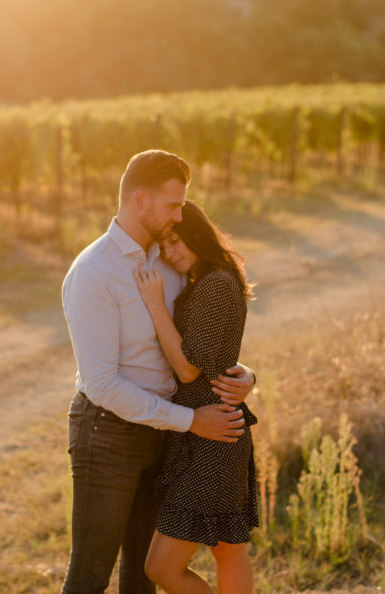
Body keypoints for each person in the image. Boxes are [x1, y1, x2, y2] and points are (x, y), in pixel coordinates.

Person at [61, 149, 256, 594]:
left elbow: (195, 344)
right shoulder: (94, 272)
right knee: (90, 574)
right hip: (109, 434)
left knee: (140, 579)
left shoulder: (168, 264)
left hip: (165, 435)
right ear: (140, 200)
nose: (179, 215)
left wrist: (243, 374)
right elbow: (101, 384)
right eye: (172, 205)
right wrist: (191, 421)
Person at [134, 201, 258, 594]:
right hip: (209, 428)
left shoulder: (216, 284)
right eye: (164, 245)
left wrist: (155, 306)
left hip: (213, 439)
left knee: (161, 567)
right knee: (227, 550)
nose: (170, 253)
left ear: (197, 234)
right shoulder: (206, 282)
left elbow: (189, 368)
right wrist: (249, 374)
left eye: (175, 241)